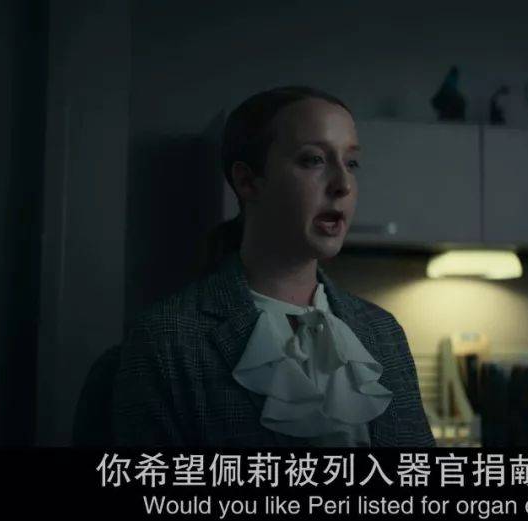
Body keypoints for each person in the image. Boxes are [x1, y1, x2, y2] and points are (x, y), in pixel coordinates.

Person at [74, 86, 434, 447]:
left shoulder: (383, 333)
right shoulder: (167, 342)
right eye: (313, 160)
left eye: (351, 163)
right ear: (247, 181)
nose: (343, 184)